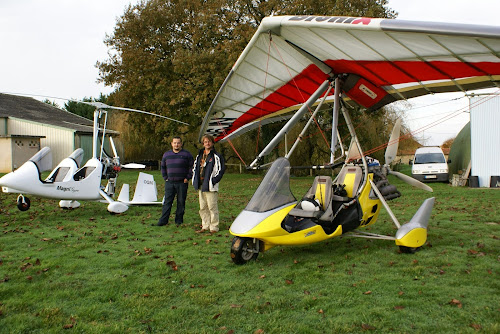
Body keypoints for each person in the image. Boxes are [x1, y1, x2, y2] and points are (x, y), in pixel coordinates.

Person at [154, 136, 194, 227]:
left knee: (181, 202)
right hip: (170, 182)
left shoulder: (187, 154)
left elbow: (192, 167)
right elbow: (163, 167)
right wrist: (165, 177)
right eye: (175, 143)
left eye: (178, 143)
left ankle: (178, 221)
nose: (176, 145)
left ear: (181, 144)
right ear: (172, 144)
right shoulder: (166, 155)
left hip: (182, 182)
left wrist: (187, 178)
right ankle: (163, 220)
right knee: (167, 202)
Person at [192, 134, 225, 233]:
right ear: (203, 143)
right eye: (205, 142)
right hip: (201, 185)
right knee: (203, 207)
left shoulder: (216, 156)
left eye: (209, 141)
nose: (207, 143)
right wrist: (194, 179)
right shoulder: (199, 156)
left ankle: (214, 226)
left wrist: (213, 181)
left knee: (212, 206)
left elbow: (221, 170)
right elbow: (194, 168)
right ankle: (205, 225)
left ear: (212, 142)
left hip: (210, 185)